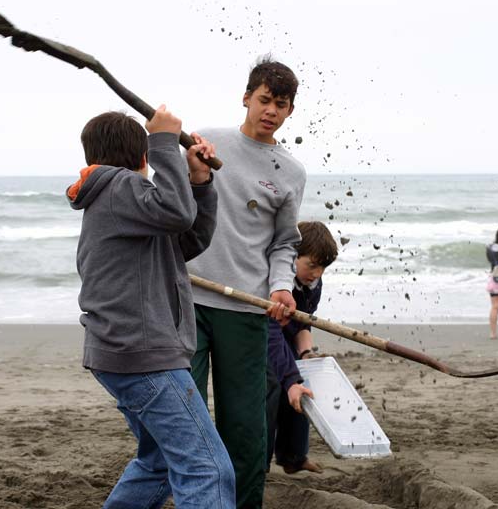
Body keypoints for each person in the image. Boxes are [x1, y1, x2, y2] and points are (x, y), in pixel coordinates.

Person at [67, 109, 235, 508]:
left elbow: (187, 239)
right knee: (207, 468)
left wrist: (199, 181)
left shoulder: (124, 204)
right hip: (143, 357)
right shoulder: (119, 187)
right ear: (143, 157)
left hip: (123, 353)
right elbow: (176, 212)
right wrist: (165, 142)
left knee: (159, 462)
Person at [187, 57, 306, 508]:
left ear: (289, 111)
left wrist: (281, 288)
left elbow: (284, 243)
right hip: (190, 299)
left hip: (247, 310)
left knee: (246, 429)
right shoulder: (205, 142)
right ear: (246, 98)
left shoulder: (290, 172)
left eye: (280, 104)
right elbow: (172, 206)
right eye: (264, 100)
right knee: (187, 417)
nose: (270, 110)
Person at [266, 221, 338, 475]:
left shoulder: (313, 285)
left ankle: (293, 457)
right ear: (292, 256)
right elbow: (270, 332)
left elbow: (305, 323)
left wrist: (307, 355)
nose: (317, 273)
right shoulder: (272, 281)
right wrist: (290, 375)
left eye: (323, 268)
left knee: (304, 383)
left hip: (289, 334)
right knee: (273, 387)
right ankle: (259, 463)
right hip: (265, 333)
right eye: (312, 265)